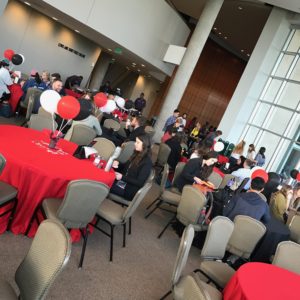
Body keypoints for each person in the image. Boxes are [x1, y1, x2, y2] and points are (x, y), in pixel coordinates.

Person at [110, 134, 152, 200]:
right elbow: (126, 167)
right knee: (105, 179)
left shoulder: (147, 162)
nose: (135, 144)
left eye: (138, 142)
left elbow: (139, 182)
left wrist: (122, 177)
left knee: (104, 184)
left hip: (128, 190)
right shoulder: (137, 153)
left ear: (144, 145)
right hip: (123, 182)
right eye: (136, 142)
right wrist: (118, 164)